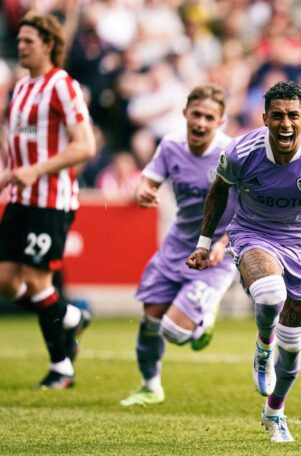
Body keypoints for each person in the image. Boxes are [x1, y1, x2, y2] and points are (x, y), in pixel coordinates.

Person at [186, 81, 301, 442]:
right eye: (277, 116)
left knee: (292, 352)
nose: (285, 124)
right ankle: (262, 347)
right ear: (265, 119)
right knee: (270, 293)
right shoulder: (242, 151)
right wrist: (204, 243)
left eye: (292, 116)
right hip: (253, 234)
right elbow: (218, 192)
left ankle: (275, 413)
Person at [0, 12, 96, 390]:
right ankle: (71, 316)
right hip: (19, 196)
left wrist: (38, 171)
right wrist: (3, 179)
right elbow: (23, 150)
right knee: (5, 284)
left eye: (29, 40)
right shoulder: (22, 88)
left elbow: (85, 145)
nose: (21, 46)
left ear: (49, 44)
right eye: (20, 40)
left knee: (37, 279)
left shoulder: (63, 86)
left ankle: (62, 367)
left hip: (51, 201)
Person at [120, 84, 237, 407]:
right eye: (196, 114)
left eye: (209, 117)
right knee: (150, 320)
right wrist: (143, 190)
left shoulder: (232, 154)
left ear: (221, 122)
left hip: (217, 254)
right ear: (184, 114)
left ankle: (204, 319)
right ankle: (150, 386)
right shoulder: (171, 145)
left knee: (173, 330)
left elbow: (250, 211)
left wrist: (225, 243)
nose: (200, 122)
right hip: (177, 248)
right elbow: (149, 180)